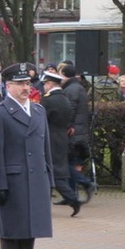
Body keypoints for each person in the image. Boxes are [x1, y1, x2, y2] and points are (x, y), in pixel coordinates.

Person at [0, 62, 54, 249]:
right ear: (8, 86)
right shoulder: (0, 113)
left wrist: (49, 179)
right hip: (13, 182)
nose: (26, 87)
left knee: (31, 230)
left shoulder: (38, 110)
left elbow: (46, 149)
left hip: (36, 180)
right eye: (20, 83)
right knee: (13, 233)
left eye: (28, 83)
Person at [40, 70, 81, 217]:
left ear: (50, 84)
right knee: (53, 171)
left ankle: (72, 199)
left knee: (52, 173)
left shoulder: (48, 100)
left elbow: (41, 119)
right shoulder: (64, 98)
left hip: (50, 138)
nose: (44, 86)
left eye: (45, 84)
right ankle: (44, 205)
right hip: (62, 137)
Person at [61, 64, 96, 203]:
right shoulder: (78, 87)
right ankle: (71, 195)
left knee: (66, 164)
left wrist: (68, 125)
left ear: (64, 75)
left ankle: (86, 183)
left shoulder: (71, 90)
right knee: (70, 162)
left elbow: (70, 109)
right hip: (79, 132)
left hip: (74, 132)